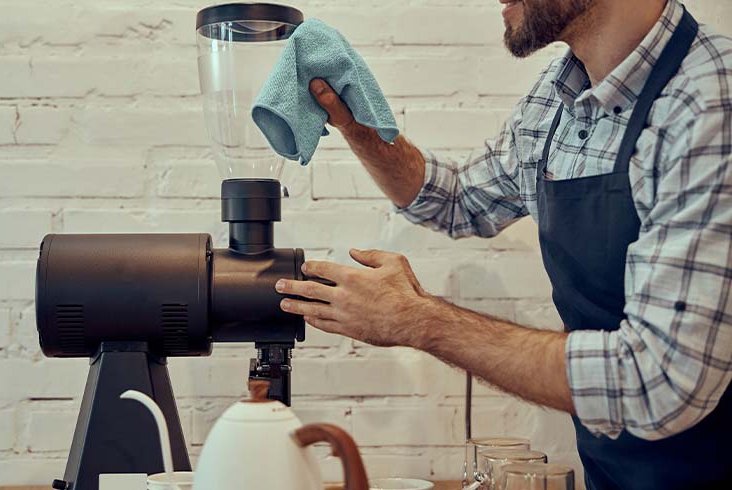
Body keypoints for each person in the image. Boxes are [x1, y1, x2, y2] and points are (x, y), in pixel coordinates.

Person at [273, 0, 732, 488]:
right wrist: (355, 122)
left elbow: (656, 381)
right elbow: (457, 199)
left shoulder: (708, 100)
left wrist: (417, 320)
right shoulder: (560, 97)